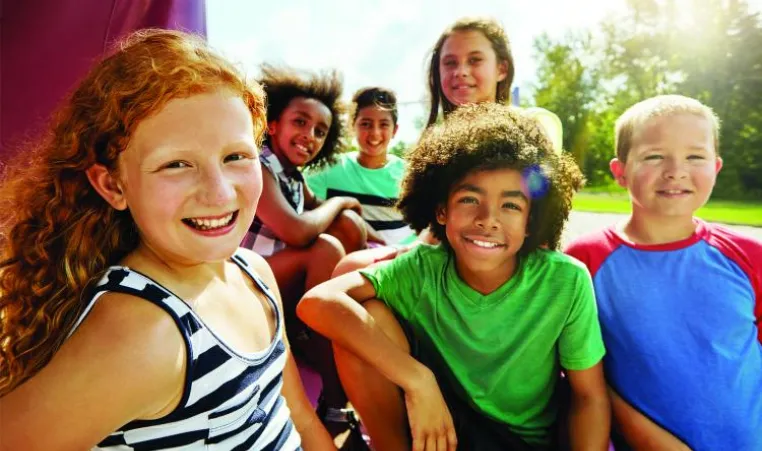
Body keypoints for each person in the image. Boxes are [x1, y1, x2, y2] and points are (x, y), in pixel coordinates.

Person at [0, 30, 332, 450]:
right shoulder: (146, 334)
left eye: (236, 156)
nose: (219, 192)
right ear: (112, 185)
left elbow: (297, 414)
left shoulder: (256, 274)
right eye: (176, 164)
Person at [298, 103, 611, 451]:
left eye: (510, 205)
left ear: (531, 220)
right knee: (363, 316)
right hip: (436, 431)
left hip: (522, 443)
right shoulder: (422, 267)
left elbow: (589, 397)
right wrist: (419, 381)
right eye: (469, 199)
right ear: (442, 210)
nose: (487, 218)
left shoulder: (564, 280)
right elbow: (317, 302)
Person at [565, 94, 762, 451]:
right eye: (654, 156)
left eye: (695, 156)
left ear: (715, 168)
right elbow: (580, 378)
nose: (676, 170)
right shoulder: (585, 261)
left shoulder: (750, 257)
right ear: (620, 172)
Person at [241, 64, 381, 448]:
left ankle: (333, 323)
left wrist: (389, 249)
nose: (310, 136)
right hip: (245, 282)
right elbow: (296, 230)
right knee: (324, 246)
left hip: (280, 281)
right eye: (300, 122)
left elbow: (340, 220)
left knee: (347, 226)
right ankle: (334, 400)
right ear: (272, 125)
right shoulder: (259, 164)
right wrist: (338, 200)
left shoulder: (294, 177)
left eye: (320, 131)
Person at [306, 87, 416, 246]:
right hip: (344, 263)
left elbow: (425, 230)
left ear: (395, 130)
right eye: (366, 124)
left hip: (400, 262)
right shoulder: (324, 170)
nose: (375, 133)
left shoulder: (411, 175)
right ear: (352, 126)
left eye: (384, 124)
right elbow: (309, 222)